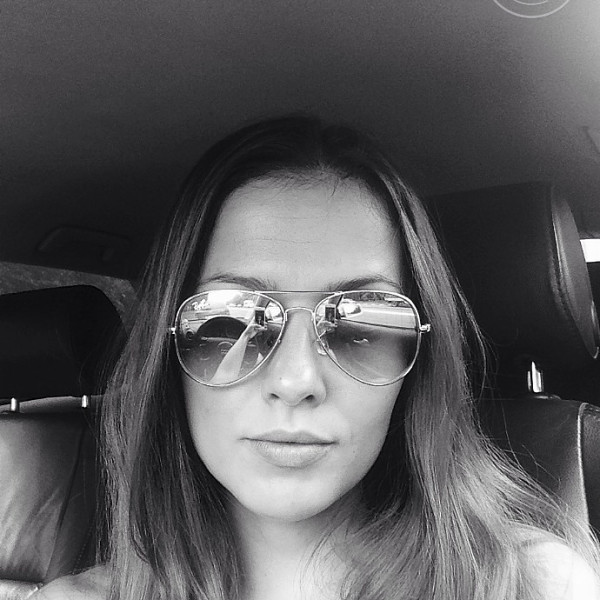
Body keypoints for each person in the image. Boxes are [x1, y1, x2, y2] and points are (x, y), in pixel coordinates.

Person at [34, 116, 600, 599]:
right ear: (167, 352)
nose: (296, 380)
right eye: (231, 320)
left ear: (418, 363)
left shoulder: (532, 586)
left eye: (362, 325)